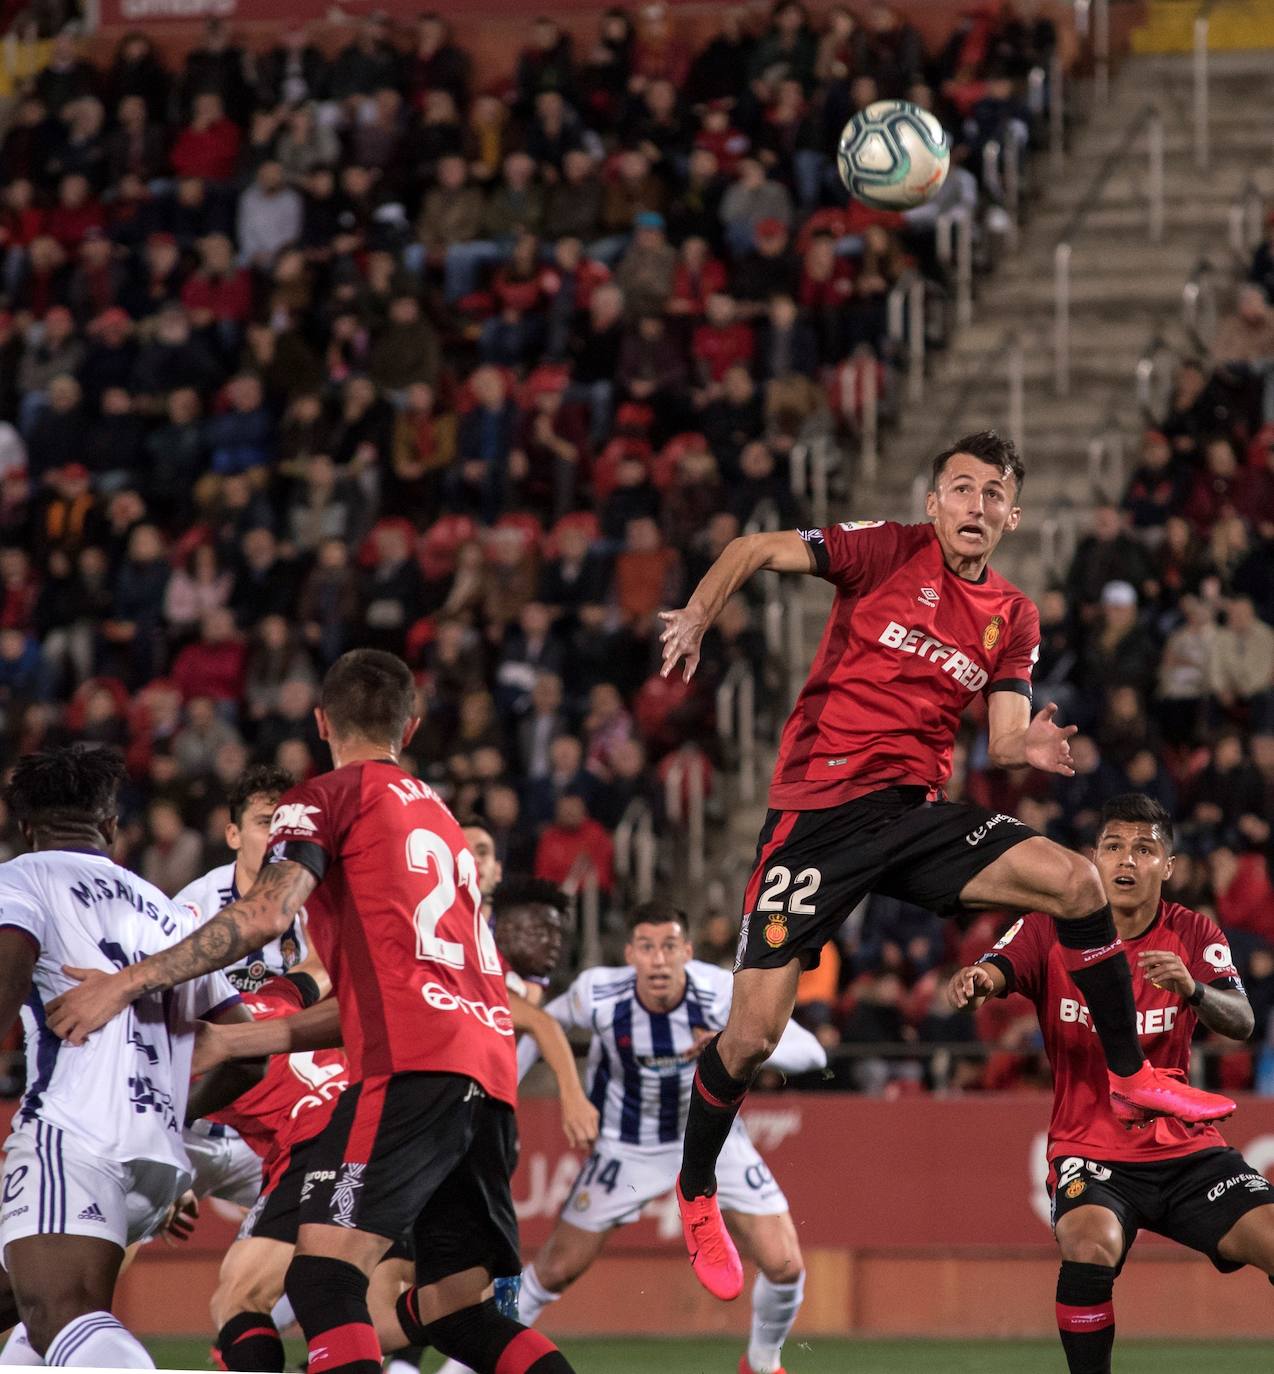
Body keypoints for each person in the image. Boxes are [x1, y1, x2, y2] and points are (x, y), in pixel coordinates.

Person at [656, 430, 1236, 1301]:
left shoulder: (1014, 615)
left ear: (1013, 514)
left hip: (913, 815)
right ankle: (698, 1190)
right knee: (751, 1038)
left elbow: (1001, 738)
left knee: (1076, 883)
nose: (975, 505)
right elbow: (752, 546)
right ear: (934, 504)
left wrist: (1030, 746)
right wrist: (700, 611)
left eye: (993, 493)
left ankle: (1129, 1076)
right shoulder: (885, 548)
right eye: (960, 489)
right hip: (815, 817)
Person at [48, 650, 580, 1374]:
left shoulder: (325, 797)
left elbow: (266, 914)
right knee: (459, 1314)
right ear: (411, 726)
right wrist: (237, 1043)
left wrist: (124, 984)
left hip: (410, 1070)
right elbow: (374, 998)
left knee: (323, 1279)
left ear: (322, 721)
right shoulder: (444, 821)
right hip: (484, 1076)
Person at [947, 794, 1270, 1374]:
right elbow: (999, 966)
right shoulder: (1051, 925)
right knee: (1088, 1247)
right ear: (1093, 857)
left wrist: (1194, 990)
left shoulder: (1192, 932)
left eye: (1144, 849)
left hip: (1185, 1149)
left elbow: (1244, 1022)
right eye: (1114, 846)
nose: (1127, 860)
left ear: (1167, 866)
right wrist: (980, 979)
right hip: (1090, 1148)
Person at [437, 899, 824, 1374]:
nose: (657, 959)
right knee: (555, 1270)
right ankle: (462, 1368)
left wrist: (735, 1041)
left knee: (785, 1266)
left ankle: (762, 1364)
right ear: (629, 954)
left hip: (715, 1143)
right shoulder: (597, 994)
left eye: (667, 947)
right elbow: (537, 1027)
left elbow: (814, 1053)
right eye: (646, 947)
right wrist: (505, 1094)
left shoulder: (721, 992)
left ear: (687, 951)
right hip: (626, 1147)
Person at [0, 745, 252, 1368]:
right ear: (111, 827)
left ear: (25, 828)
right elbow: (246, 1053)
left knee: (61, 1309)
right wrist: (174, 1115)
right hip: (158, 1166)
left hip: (73, 1131)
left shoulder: (22, 878)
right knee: (29, 1314)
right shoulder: (166, 913)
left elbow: (10, 969)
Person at [175, 764, 303, 1218]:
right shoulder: (193, 909)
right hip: (195, 1123)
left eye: (288, 824)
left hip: (278, 1125)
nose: (278, 836)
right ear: (233, 835)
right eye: (266, 823)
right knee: (120, 1229)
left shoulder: (317, 907)